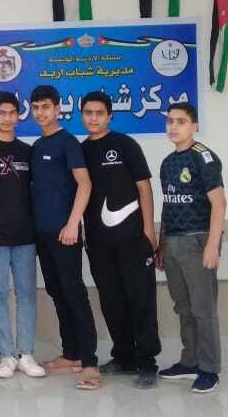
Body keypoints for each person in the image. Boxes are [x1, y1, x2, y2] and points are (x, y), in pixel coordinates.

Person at [79, 91, 161, 389]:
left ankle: (147, 361)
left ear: (110, 116)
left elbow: (144, 188)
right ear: (81, 115)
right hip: (99, 243)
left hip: (133, 239)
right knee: (111, 301)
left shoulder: (125, 145)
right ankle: (124, 356)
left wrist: (149, 230)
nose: (93, 118)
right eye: (88, 113)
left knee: (141, 300)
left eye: (99, 113)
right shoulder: (80, 151)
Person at [0, 92, 46, 380]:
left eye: (12, 112)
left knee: (27, 295)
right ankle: (6, 355)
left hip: (26, 237)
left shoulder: (27, 151)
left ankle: (26, 354)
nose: (7, 118)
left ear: (18, 115)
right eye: (1, 113)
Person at [29, 85, 100, 390]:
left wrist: (73, 224)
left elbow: (84, 184)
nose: (40, 112)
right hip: (42, 235)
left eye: (46, 106)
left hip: (65, 234)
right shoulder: (36, 146)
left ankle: (90, 363)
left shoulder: (67, 143)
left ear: (58, 109)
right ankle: (71, 354)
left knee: (74, 294)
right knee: (57, 292)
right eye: (36, 107)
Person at [156, 102, 226, 394]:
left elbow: (219, 203)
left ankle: (209, 369)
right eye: (170, 121)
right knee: (183, 306)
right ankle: (190, 361)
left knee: (202, 308)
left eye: (181, 121)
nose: (174, 126)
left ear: (194, 126)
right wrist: (161, 244)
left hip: (198, 241)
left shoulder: (204, 157)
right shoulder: (167, 163)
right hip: (172, 242)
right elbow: (168, 204)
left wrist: (212, 245)